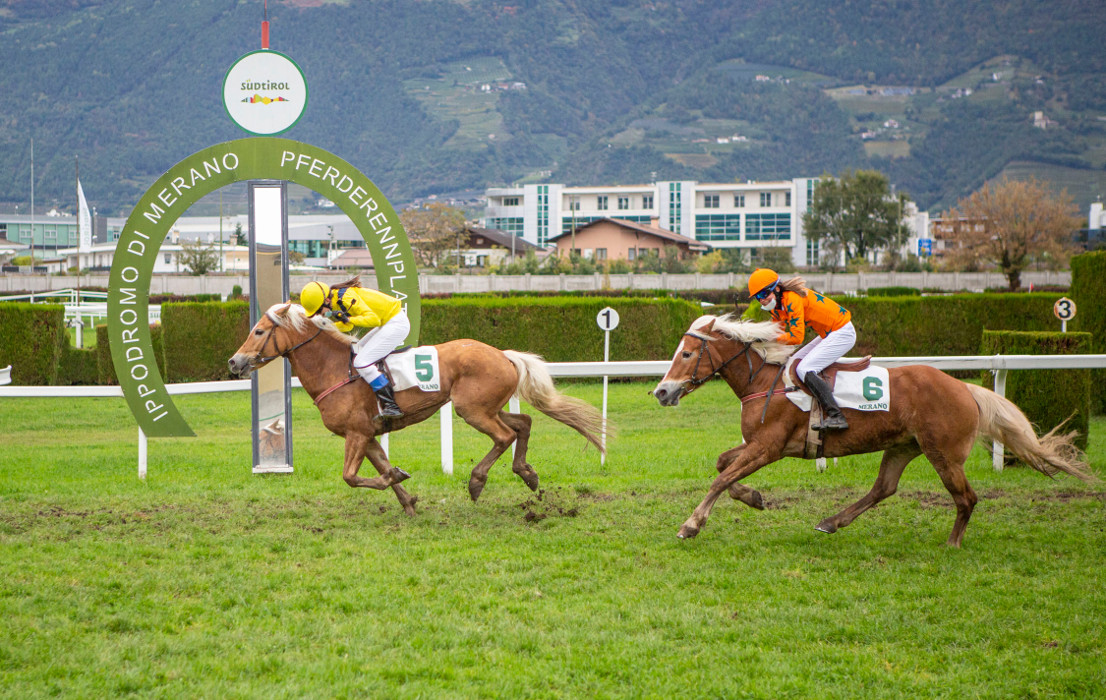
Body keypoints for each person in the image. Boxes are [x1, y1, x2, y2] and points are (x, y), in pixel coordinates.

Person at [747, 268, 855, 430]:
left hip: (843, 332)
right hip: (830, 333)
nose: (761, 300)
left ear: (776, 288)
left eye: (763, 294)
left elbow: (797, 337)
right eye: (757, 297)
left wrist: (768, 337)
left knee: (804, 368)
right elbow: (778, 331)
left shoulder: (791, 299)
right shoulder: (778, 306)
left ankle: (837, 416)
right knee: (793, 363)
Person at [299, 277, 409, 419]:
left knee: (361, 362)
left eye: (319, 312)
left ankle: (391, 405)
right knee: (357, 351)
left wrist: (348, 319)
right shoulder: (336, 300)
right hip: (387, 323)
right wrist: (327, 328)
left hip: (396, 324)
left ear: (326, 301)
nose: (320, 315)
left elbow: (373, 319)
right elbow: (348, 326)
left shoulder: (346, 298)